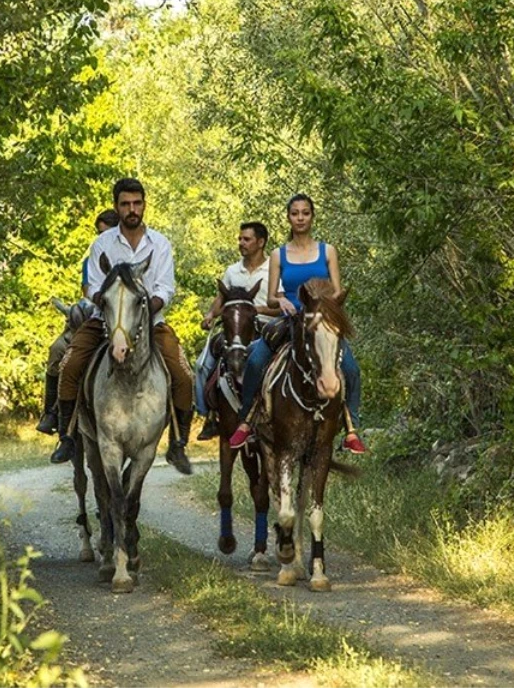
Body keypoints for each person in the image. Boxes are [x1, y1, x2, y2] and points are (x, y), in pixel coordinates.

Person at [50, 178, 196, 474]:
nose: (132, 209)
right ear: (117, 206)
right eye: (126, 204)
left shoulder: (160, 244)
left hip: (151, 323)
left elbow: (166, 288)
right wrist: (105, 302)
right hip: (104, 322)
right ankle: (66, 436)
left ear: (144, 205)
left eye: (137, 203)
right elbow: (90, 285)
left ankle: (178, 443)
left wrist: (143, 309)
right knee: (69, 362)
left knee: (183, 373)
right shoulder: (102, 244)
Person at [227, 194, 367, 454]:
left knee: (351, 368)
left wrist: (322, 305)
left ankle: (351, 429)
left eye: (305, 213)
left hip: (320, 321)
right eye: (295, 213)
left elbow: (338, 291)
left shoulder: (328, 251)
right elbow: (270, 296)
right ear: (289, 217)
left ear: (312, 216)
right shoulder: (279, 255)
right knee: (255, 361)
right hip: (290, 320)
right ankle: (246, 420)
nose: (300, 218)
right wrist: (281, 301)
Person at [36, 209, 119, 435]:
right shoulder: (89, 261)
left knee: (171, 360)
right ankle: (54, 417)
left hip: (129, 321)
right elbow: (87, 291)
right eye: (99, 233)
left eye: (108, 233)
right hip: (96, 320)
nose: (103, 238)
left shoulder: (134, 257)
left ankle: (174, 420)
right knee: (58, 351)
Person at [194, 222, 279, 440]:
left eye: (246, 239)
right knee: (202, 364)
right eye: (240, 239)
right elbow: (220, 298)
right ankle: (208, 416)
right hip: (234, 328)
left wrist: (255, 309)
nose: (241, 243)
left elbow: (281, 304)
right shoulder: (232, 271)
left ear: (260, 242)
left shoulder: (274, 269)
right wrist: (210, 315)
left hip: (266, 327)